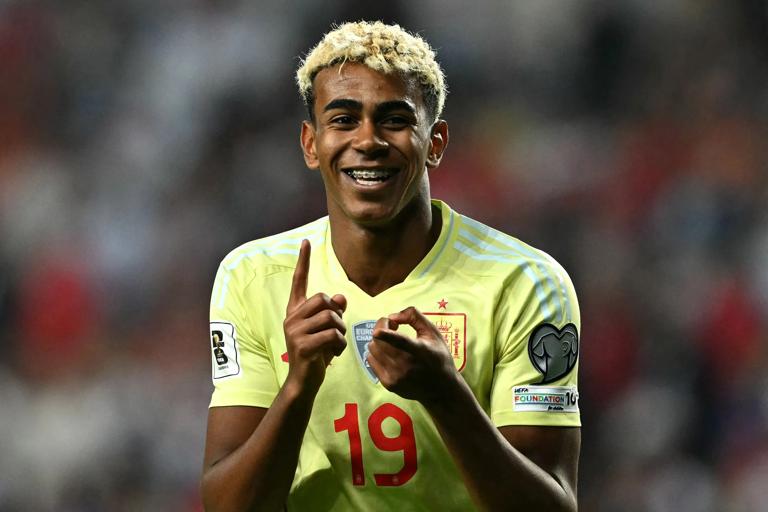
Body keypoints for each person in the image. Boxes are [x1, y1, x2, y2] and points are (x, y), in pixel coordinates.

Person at [201, 21, 581, 512]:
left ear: (436, 141)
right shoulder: (250, 277)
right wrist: (298, 384)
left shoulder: (525, 283)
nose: (369, 140)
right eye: (342, 119)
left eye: (394, 119)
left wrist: (447, 396)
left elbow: (553, 507)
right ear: (310, 143)